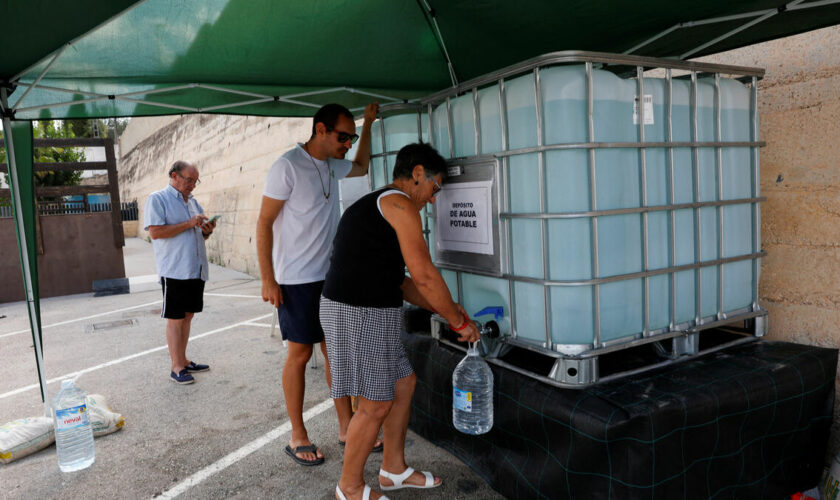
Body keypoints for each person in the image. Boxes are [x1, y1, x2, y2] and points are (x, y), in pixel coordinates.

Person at [320, 142, 481, 500]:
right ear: (418, 173)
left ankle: (393, 469)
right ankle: (348, 487)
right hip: (358, 310)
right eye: (435, 187)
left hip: (371, 308)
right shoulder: (399, 204)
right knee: (375, 403)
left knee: (403, 383)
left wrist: (450, 310)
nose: (435, 198)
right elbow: (423, 274)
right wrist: (457, 322)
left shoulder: (382, 207)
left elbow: (403, 283)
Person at [257, 102, 379, 466]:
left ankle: (346, 426)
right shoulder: (287, 167)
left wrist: (367, 125)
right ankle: (298, 436)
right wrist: (268, 279)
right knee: (300, 354)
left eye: (351, 137)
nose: (347, 143)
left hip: (330, 276)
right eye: (344, 136)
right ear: (321, 130)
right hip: (294, 280)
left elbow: (361, 166)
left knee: (335, 351)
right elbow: (263, 223)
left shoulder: (332, 165)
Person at [144, 161, 217, 385]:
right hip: (174, 269)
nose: (193, 185)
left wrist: (206, 231)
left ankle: (184, 360)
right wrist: (189, 223)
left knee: (188, 316)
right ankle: (176, 367)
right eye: (189, 180)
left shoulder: (193, 202)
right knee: (175, 319)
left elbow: (196, 235)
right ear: (174, 176)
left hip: (195, 268)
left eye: (196, 181)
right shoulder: (157, 199)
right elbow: (155, 232)